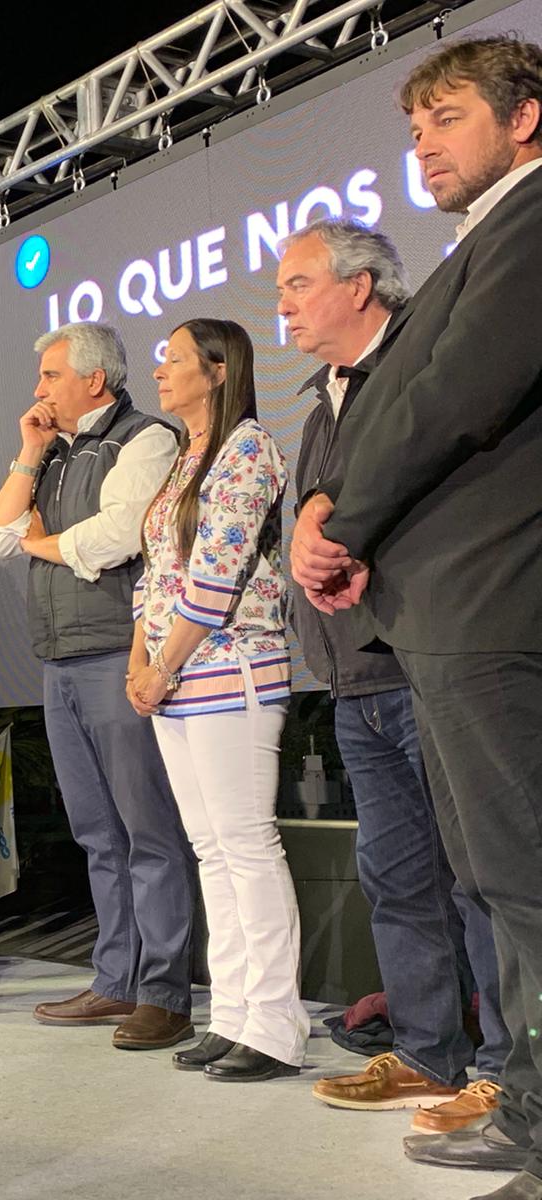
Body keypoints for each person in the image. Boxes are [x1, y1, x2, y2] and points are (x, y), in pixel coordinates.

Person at [290, 37, 542, 1195]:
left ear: (523, 117)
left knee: (521, 874)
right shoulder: (486, 237)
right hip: (445, 607)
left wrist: (340, 519)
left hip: (492, 599)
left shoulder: (531, 226)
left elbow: (449, 395)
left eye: (445, 117)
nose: (422, 145)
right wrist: (354, 523)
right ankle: (527, 1103)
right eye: (413, 127)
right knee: (497, 874)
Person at [276, 218, 510, 1130]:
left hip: (425, 656)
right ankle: (425, 1050)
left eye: (299, 284)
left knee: (478, 874)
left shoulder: (415, 372)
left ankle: (504, 1067)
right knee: (398, 876)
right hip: (354, 681)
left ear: (361, 285)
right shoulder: (322, 400)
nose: (284, 304)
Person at [0, 321, 197, 1051]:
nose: (37, 390)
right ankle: (116, 980)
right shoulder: (54, 452)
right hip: (58, 662)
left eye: (48, 377)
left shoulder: (146, 439)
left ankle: (164, 993)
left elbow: (119, 535)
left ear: (93, 380)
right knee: (98, 833)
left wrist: (43, 542)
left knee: (147, 831)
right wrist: (29, 451)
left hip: (116, 653)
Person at [125, 318, 305, 1082]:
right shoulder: (182, 459)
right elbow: (154, 577)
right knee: (211, 850)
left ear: (220, 368)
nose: (160, 372)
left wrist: (161, 665)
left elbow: (216, 576)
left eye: (174, 360)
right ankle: (231, 1014)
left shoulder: (248, 448)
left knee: (246, 843)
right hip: (175, 678)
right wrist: (141, 662)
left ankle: (273, 1026)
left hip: (232, 669)